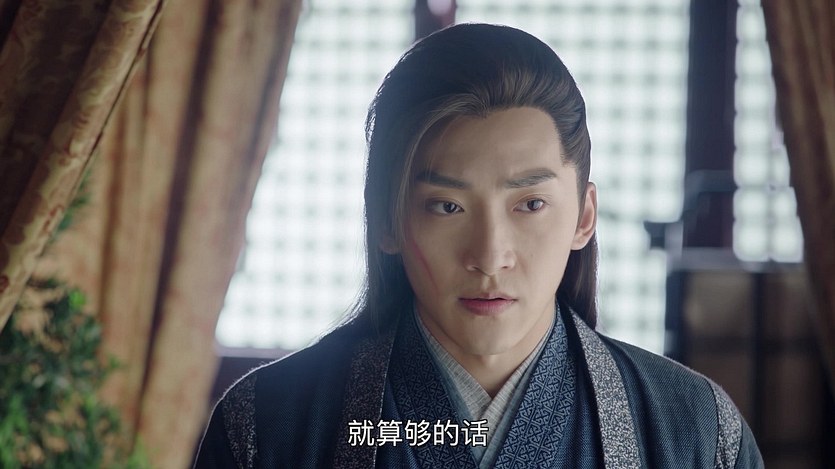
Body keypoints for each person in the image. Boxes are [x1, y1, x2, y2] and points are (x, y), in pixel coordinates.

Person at [194, 23, 763, 468]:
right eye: (447, 207)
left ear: (584, 216)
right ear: (387, 221)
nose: (490, 257)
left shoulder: (695, 431)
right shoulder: (267, 427)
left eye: (530, 204)